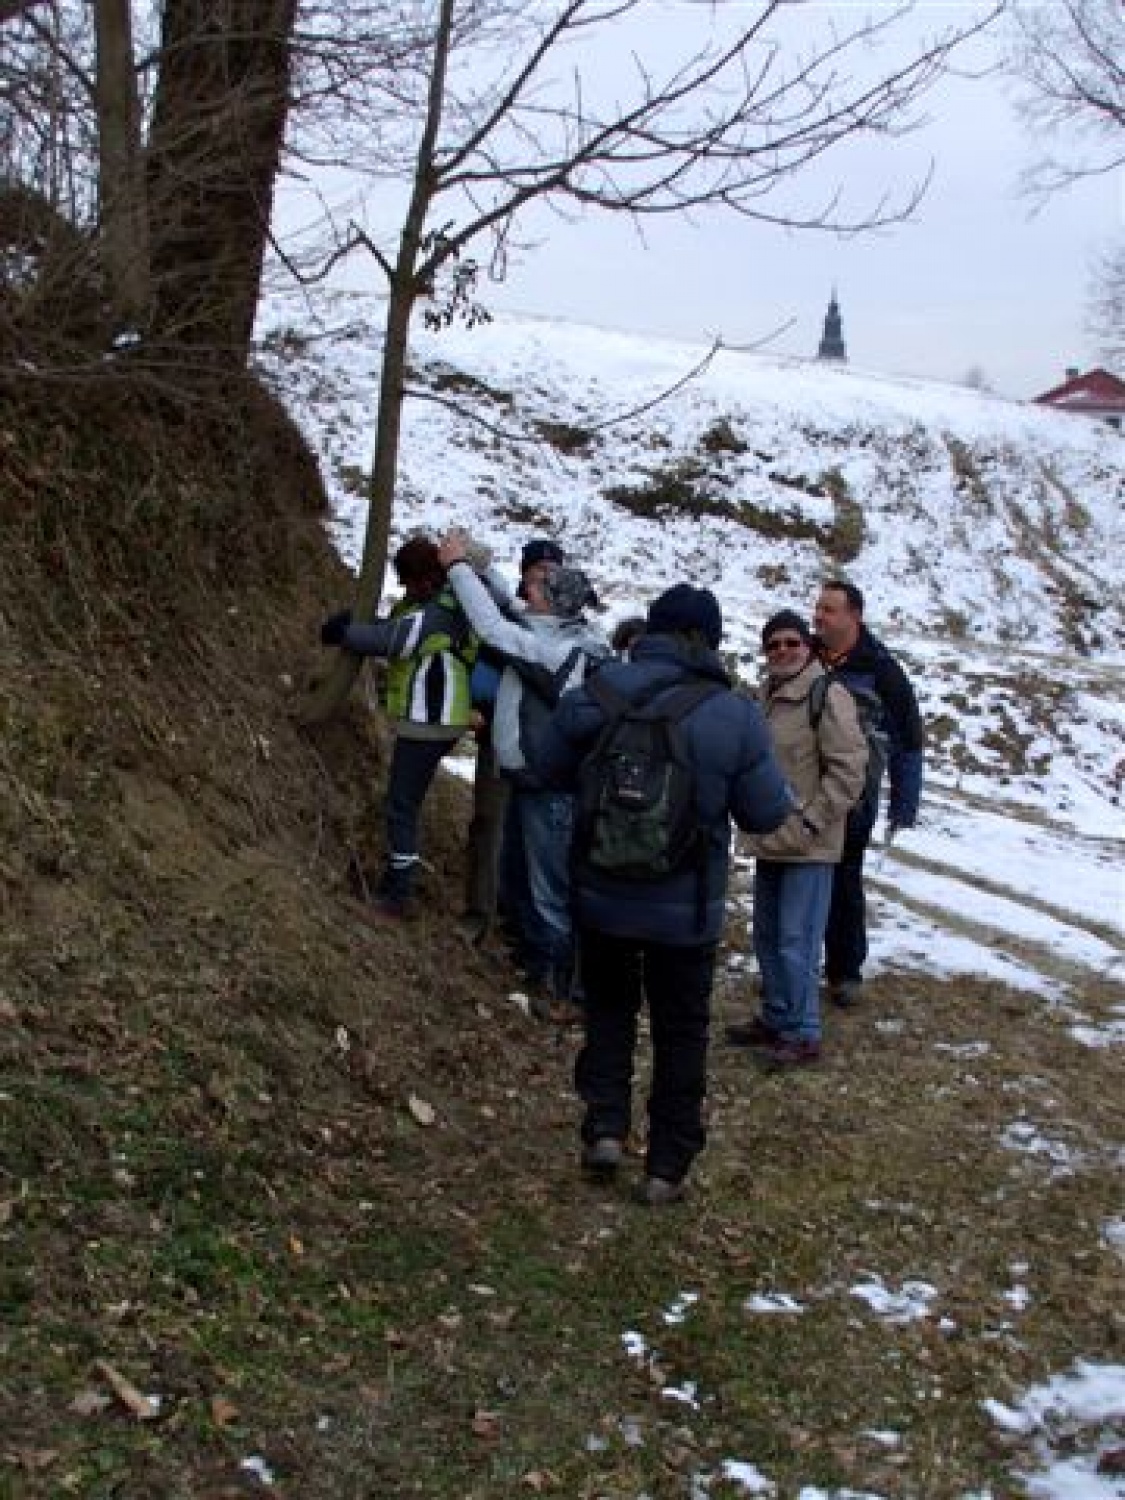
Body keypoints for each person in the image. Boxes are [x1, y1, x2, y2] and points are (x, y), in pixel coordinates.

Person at [531, 584, 792, 1206]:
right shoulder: (734, 714)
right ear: (708, 640)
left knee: (610, 1011)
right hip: (688, 912)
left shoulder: (599, 690)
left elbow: (542, 767)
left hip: (601, 896)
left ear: (651, 631)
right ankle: (667, 1167)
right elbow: (763, 813)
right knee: (681, 1031)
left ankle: (605, 1129)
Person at [437, 530, 608, 1015]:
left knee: (549, 887)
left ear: (555, 605)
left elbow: (493, 627)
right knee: (537, 881)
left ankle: (561, 987)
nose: (527, 592)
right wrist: (477, 563)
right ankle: (545, 968)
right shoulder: (557, 638)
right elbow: (508, 610)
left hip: (549, 788)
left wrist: (456, 569)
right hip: (538, 781)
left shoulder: (551, 652)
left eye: (537, 590)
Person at [726, 609, 868, 1066]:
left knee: (797, 939)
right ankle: (776, 1017)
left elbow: (849, 771)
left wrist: (812, 821)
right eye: (773, 645)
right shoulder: (765, 695)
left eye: (792, 642)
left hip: (809, 842)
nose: (783, 651)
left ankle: (802, 1031)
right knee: (767, 935)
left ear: (808, 647)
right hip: (771, 837)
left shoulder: (828, 695)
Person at [320, 537, 476, 919]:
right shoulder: (428, 604)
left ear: (429, 577)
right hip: (433, 720)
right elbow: (391, 625)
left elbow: (394, 639)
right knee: (403, 802)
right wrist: (356, 626)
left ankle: (399, 892)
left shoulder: (442, 611)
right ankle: (398, 884)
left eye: (412, 581)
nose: (408, 589)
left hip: (432, 720)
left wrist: (347, 633)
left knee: (401, 805)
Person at [812, 579, 924, 1006]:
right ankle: (798, 968)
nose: (819, 617)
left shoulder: (881, 669)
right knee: (801, 878)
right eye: (818, 608)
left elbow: (908, 737)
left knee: (843, 880)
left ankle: (845, 972)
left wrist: (904, 803)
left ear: (854, 616)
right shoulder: (806, 654)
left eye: (829, 610)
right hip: (805, 789)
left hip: (855, 797)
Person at [462, 538, 566, 946]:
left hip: (549, 750)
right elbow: (493, 591)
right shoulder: (508, 616)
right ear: (524, 573)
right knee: (490, 825)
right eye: (538, 567)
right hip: (500, 739)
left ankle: (522, 924)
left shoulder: (569, 628)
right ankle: (479, 913)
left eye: (553, 567)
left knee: (537, 838)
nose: (545, 574)